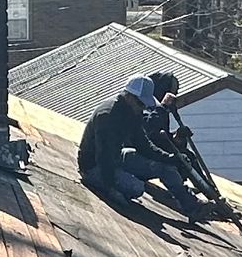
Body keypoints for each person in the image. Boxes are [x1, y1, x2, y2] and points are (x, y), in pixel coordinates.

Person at [79, 73, 206, 213]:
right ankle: (96, 181)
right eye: (140, 103)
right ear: (128, 96)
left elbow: (144, 146)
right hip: (95, 166)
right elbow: (103, 157)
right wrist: (111, 188)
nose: (142, 108)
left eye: (144, 105)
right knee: (136, 188)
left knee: (165, 166)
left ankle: (192, 206)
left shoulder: (133, 112)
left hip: (115, 157)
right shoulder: (107, 116)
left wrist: (171, 159)